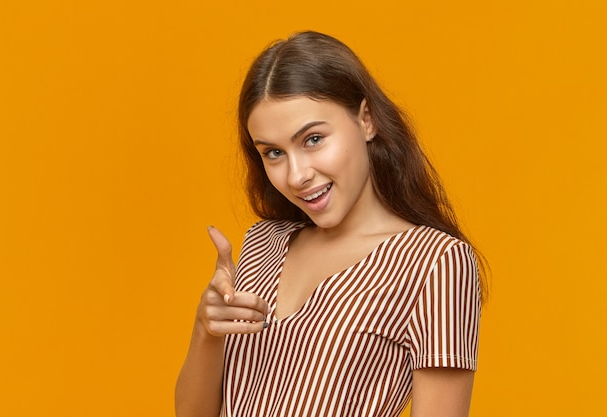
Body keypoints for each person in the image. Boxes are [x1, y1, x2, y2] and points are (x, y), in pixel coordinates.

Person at [175, 31, 487, 417]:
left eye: (313, 139)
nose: (296, 175)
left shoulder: (436, 263)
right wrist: (206, 330)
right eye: (273, 152)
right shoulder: (262, 243)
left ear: (366, 120)